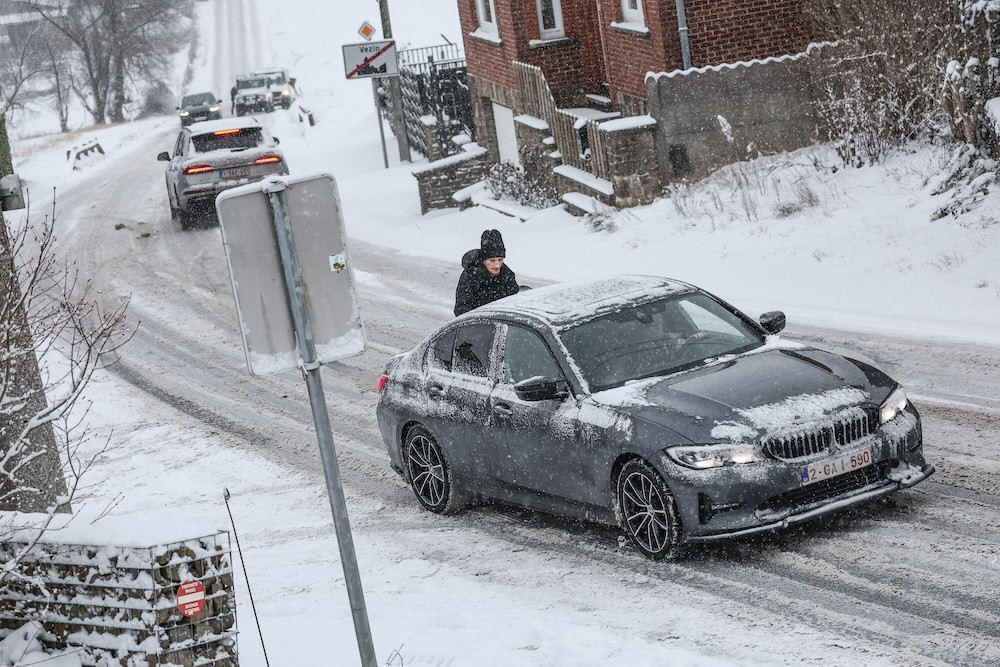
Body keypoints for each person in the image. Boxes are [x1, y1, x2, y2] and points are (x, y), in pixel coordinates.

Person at [454, 229, 519, 316]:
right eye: (492, 261)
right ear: (484, 260)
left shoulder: (507, 275)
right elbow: (461, 310)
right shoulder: (471, 277)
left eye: (500, 260)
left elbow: (515, 301)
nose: (497, 265)